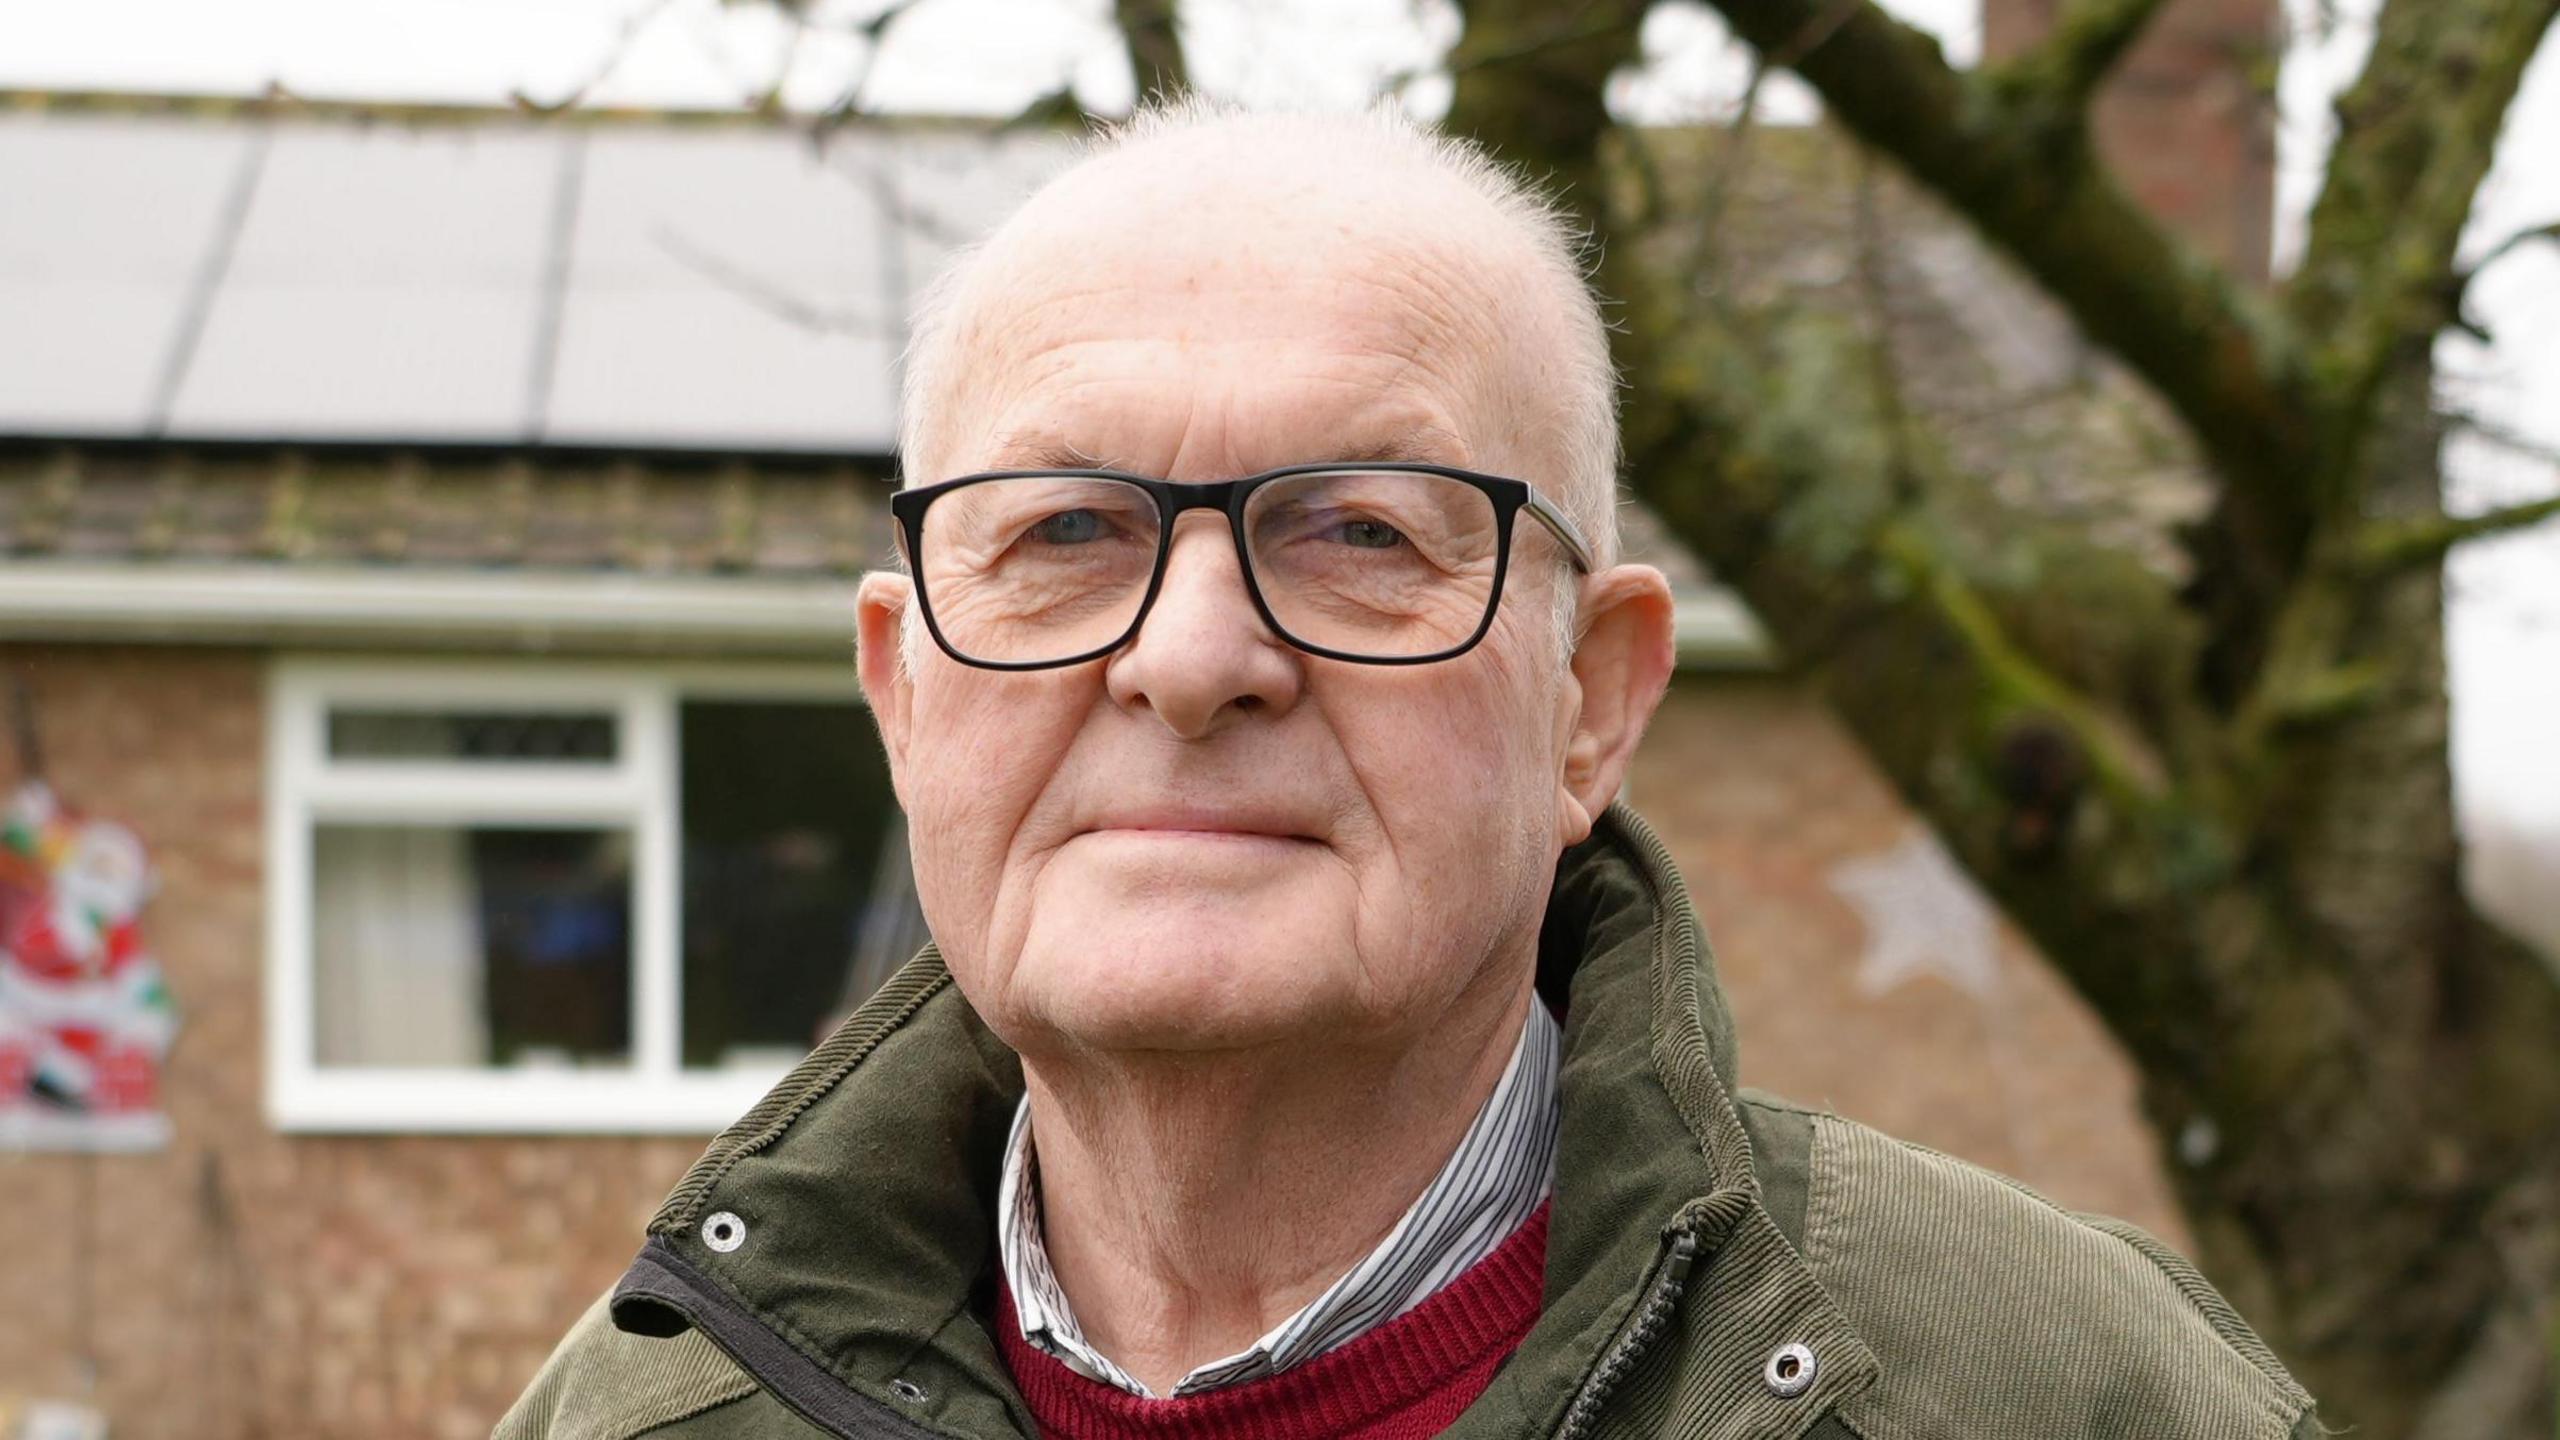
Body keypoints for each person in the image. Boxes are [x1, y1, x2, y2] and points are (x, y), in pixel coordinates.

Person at [499, 99, 2321, 1440]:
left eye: (1363, 531)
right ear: (905, 698)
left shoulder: (2053, 1399)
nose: (1193, 658)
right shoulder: (637, 1419)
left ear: (1591, 701)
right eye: (1061, 530)